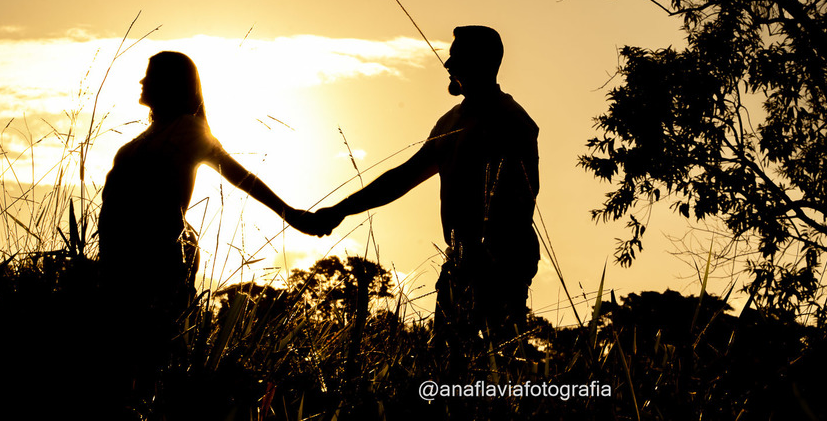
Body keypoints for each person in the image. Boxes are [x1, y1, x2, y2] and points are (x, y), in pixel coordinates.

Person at [300, 26, 539, 359]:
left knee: (497, 362)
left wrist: (492, 255)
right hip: (457, 262)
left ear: (481, 61)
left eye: (456, 55)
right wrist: (341, 209)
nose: (448, 63)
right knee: (447, 362)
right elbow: (402, 178)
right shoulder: (449, 122)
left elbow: (524, 198)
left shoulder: (511, 120)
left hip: (502, 263)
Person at [97, 50, 314, 407]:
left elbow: (238, 174)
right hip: (121, 261)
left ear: (170, 83)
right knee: (123, 356)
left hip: (157, 257)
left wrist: (288, 212)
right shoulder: (152, 132)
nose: (142, 81)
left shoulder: (188, 130)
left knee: (150, 353)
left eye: (150, 75)